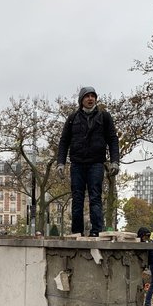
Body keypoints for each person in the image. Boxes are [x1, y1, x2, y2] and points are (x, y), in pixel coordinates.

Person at [56, 87, 120, 237]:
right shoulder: (72, 118)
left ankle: (96, 231)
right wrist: (61, 162)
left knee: (95, 197)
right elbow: (64, 141)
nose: (90, 99)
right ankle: (76, 232)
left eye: (93, 96)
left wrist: (115, 161)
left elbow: (113, 140)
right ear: (81, 100)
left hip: (96, 163)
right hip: (77, 163)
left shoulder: (105, 117)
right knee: (77, 198)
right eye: (87, 96)